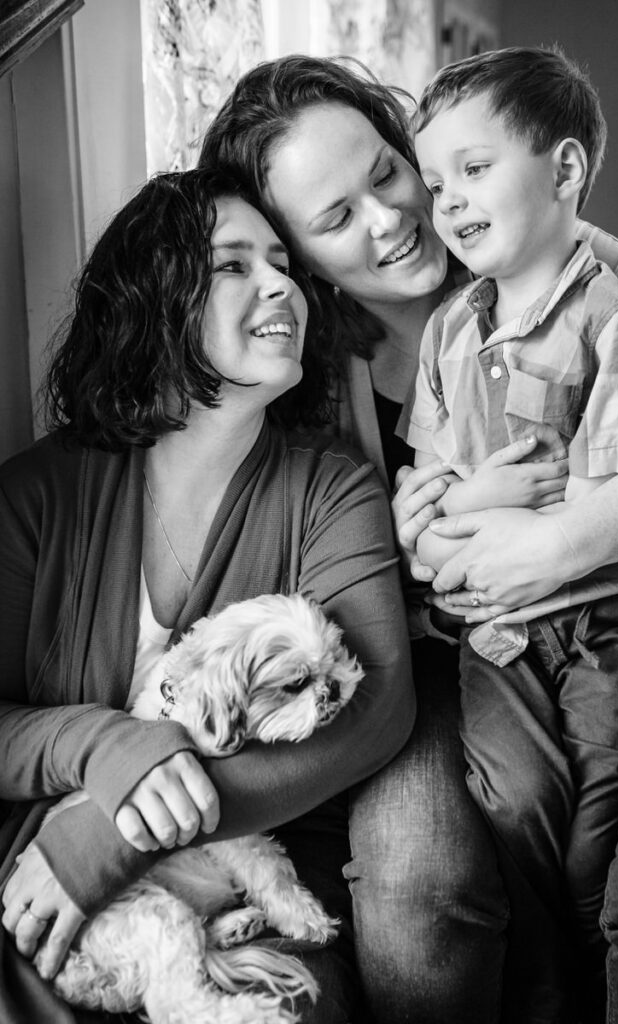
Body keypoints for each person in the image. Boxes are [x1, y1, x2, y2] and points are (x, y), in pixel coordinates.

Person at [199, 53, 618, 1024]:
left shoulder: (568, 263)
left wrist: (561, 542)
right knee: (419, 882)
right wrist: (406, 541)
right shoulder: (295, 379)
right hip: (428, 667)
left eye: (386, 171)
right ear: (293, 255)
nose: (393, 217)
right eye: (336, 219)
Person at [0, 167, 416, 1024]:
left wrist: (115, 835)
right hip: (42, 898)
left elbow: (377, 709)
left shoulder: (332, 494)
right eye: (233, 265)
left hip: (253, 889)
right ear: (155, 304)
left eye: (282, 262)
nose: (281, 287)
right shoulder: (38, 496)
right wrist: (102, 745)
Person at [401, 44, 618, 1017]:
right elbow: (428, 492)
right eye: (436, 182)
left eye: (474, 171)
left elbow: (591, 501)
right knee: (510, 792)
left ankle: (580, 946)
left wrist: (467, 508)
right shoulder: (447, 330)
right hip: (496, 628)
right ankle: (548, 970)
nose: (448, 203)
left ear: (561, 172)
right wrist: (469, 499)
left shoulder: (612, 316)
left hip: (612, 614)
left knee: (601, 801)